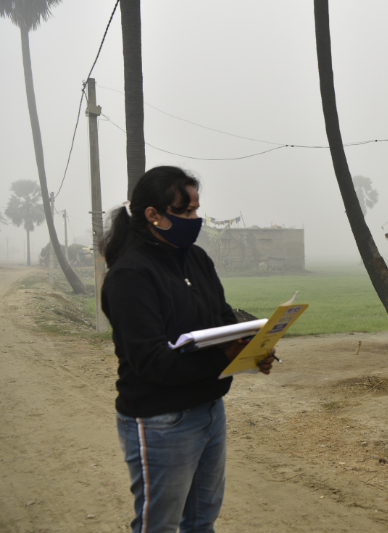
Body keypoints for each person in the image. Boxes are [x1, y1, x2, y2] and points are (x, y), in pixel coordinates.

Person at [101, 166, 274, 533]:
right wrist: (222, 357)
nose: (196, 219)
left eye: (197, 209)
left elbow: (223, 318)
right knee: (158, 526)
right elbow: (151, 362)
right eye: (186, 211)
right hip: (162, 420)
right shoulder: (131, 275)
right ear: (153, 215)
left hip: (210, 410)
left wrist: (252, 348)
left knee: (200, 521)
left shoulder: (197, 259)